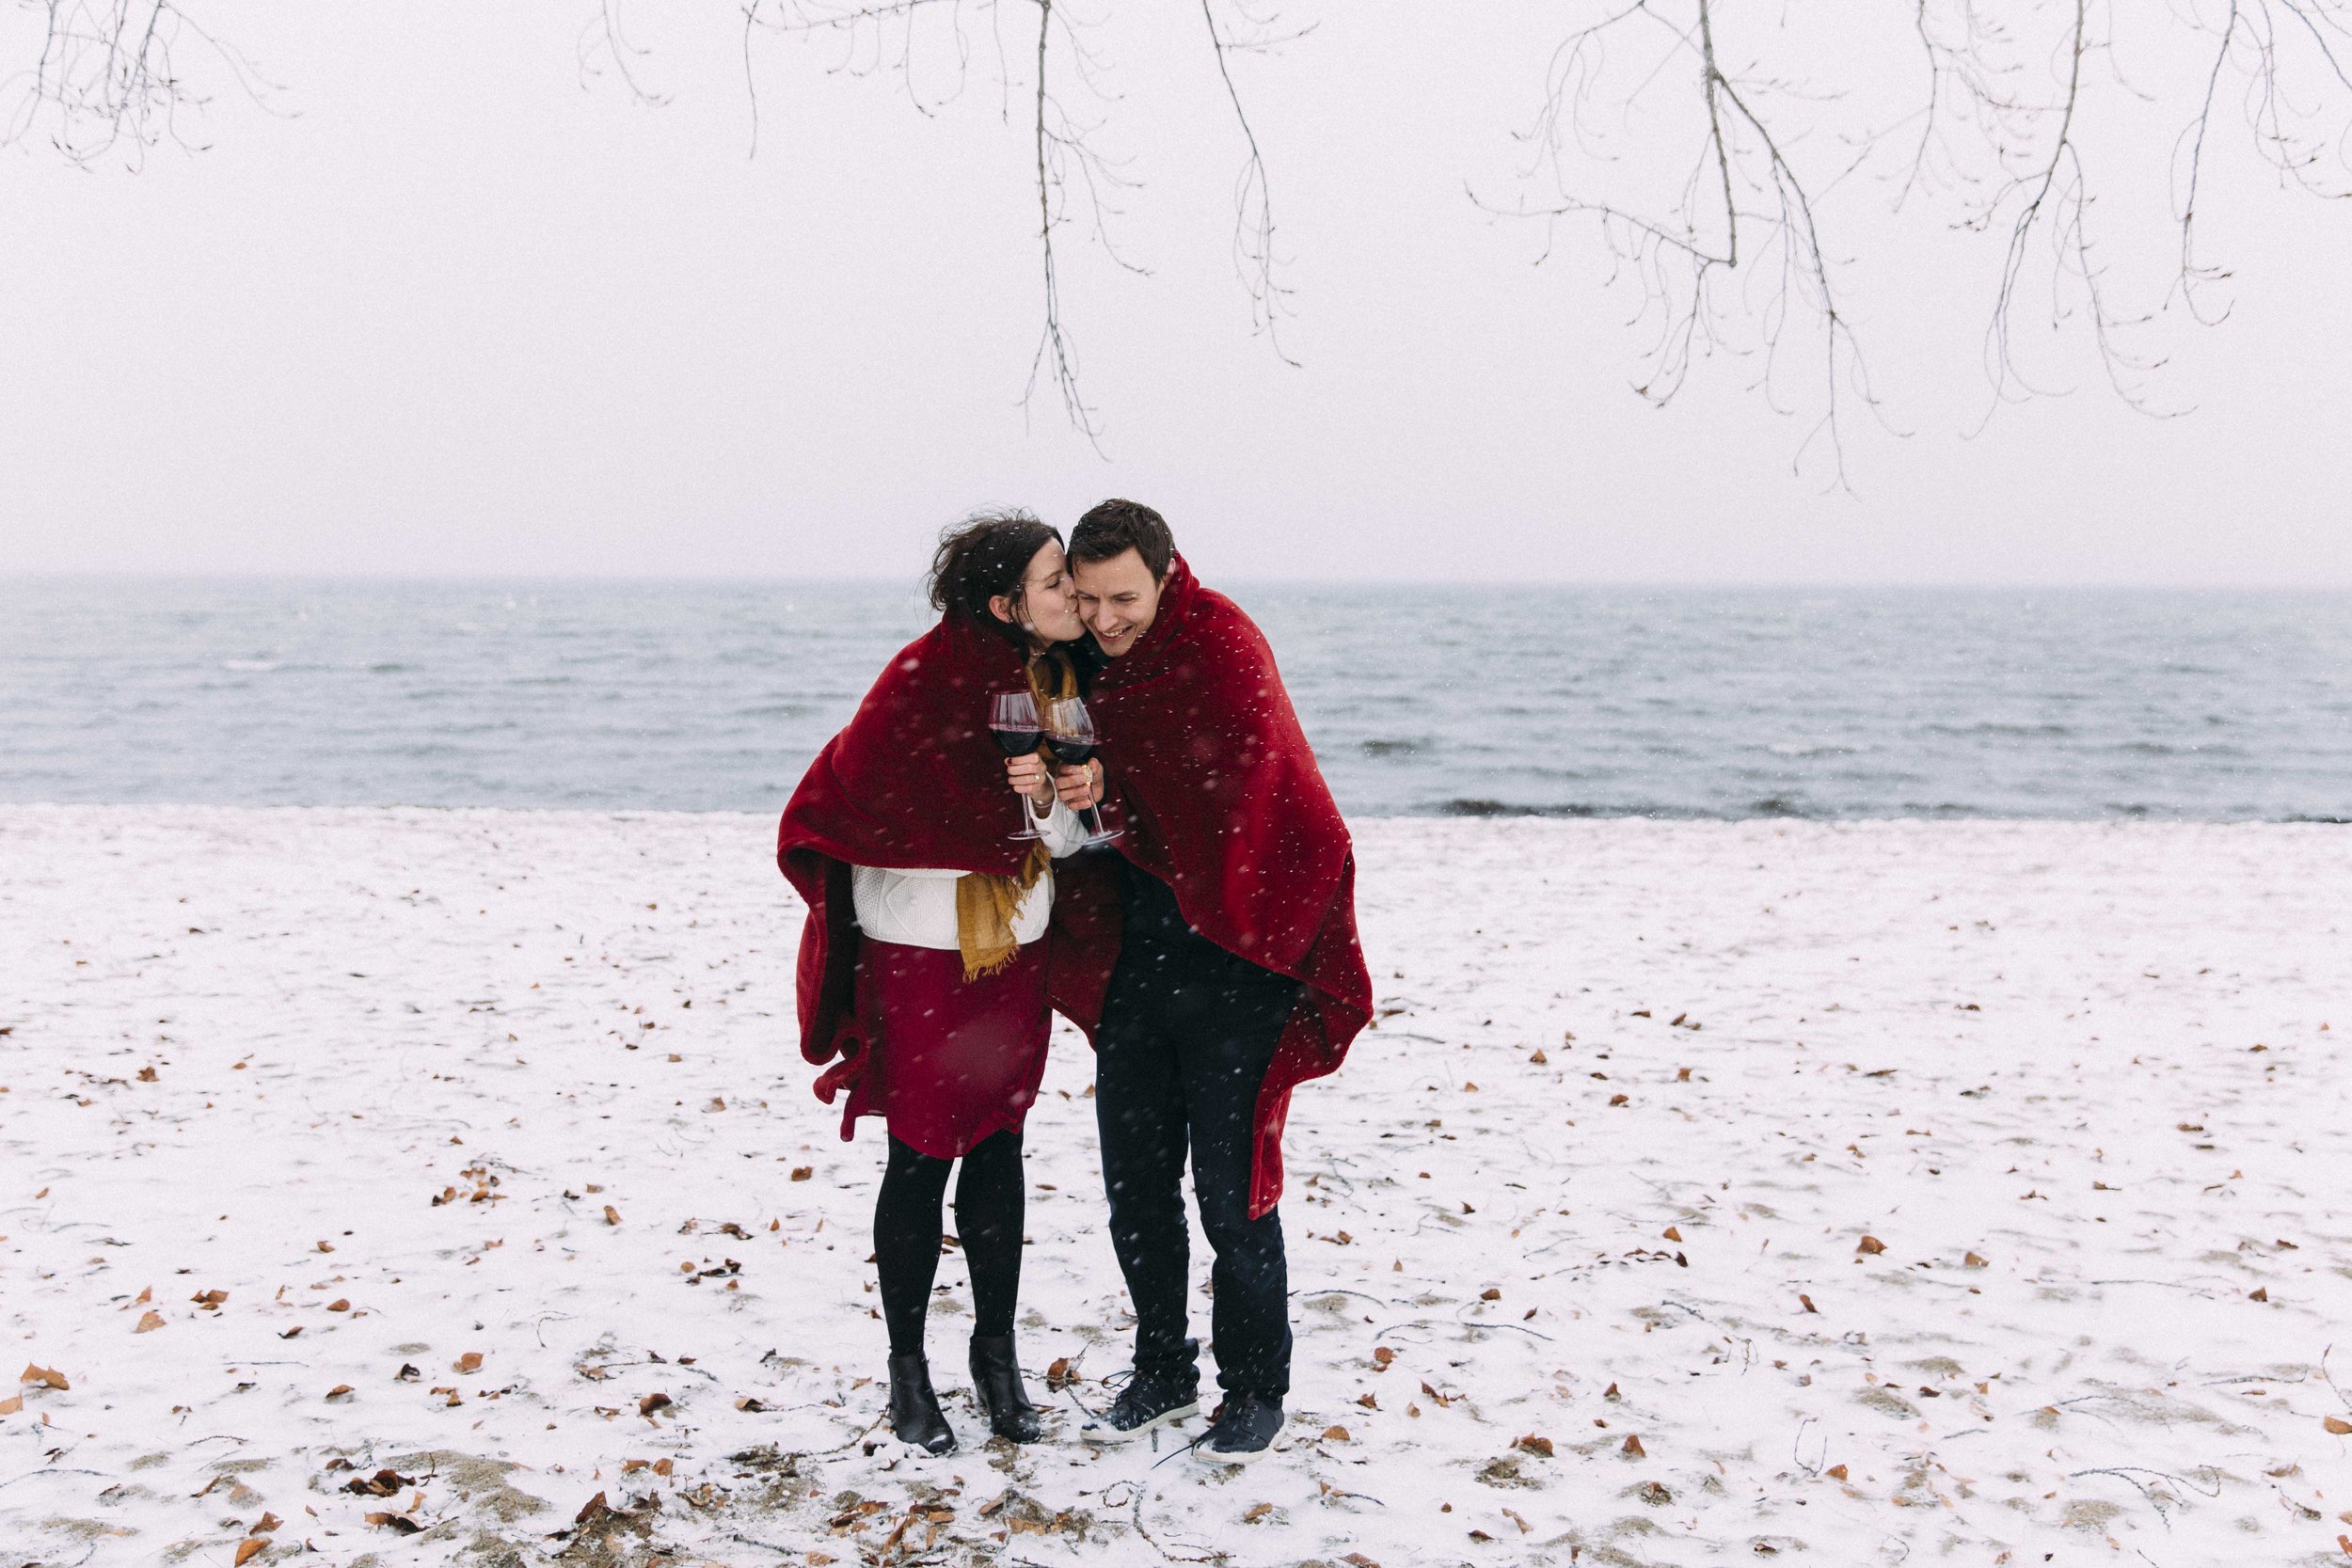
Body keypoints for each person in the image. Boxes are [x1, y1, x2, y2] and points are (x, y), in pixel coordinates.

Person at [1046, 499, 1374, 1464]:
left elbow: (1238, 783)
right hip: (1143, 957)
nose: (1106, 617)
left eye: (1124, 597)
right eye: (1089, 596)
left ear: (1165, 571)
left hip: (1239, 954)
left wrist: (1112, 779)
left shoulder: (1221, 641)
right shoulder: (1082, 664)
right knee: (1135, 1181)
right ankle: (1161, 1365)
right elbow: (1092, 780)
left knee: (1232, 1194)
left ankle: (1255, 1383)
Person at [776, 511, 1091, 1457]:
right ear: (1004, 601)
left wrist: (1045, 800)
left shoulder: (1061, 687)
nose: (1071, 595)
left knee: (999, 1148)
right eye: (1053, 581)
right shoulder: (921, 679)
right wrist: (963, 815)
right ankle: (907, 1369)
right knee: (919, 1156)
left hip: (1015, 949)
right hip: (917, 948)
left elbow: (1067, 842)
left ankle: (995, 1356)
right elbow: (855, 799)